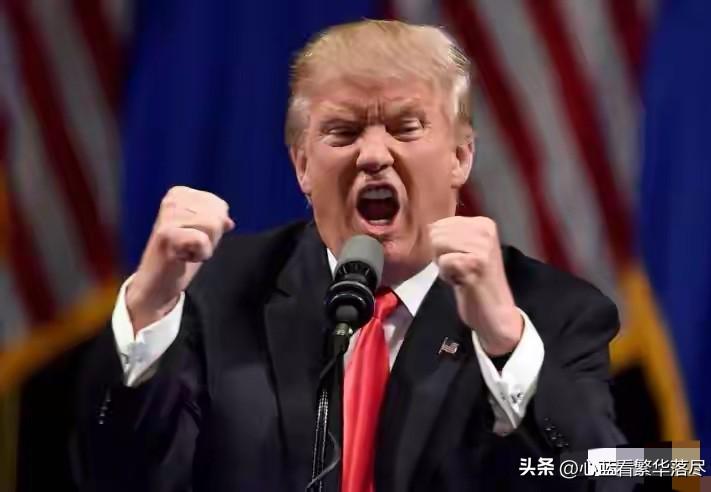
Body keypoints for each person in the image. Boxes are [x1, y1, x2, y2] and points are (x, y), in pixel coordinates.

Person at [74, 19, 626, 491]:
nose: (374, 155)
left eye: (406, 127)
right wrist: (147, 305)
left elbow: (629, 473)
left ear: (460, 157)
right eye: (343, 132)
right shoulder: (218, 296)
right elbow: (110, 475)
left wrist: (506, 345)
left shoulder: (554, 312)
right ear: (302, 166)